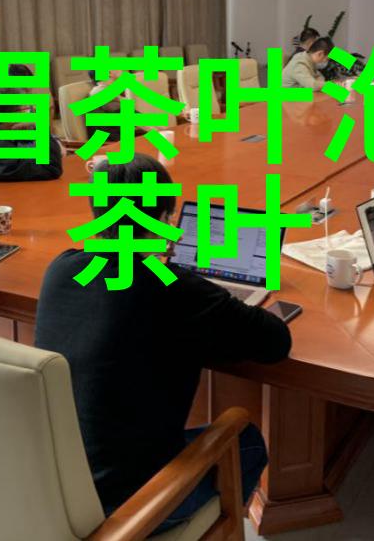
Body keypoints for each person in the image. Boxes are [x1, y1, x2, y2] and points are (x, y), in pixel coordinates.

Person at [35, 154, 291, 533]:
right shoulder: (176, 290)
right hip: (131, 505)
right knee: (246, 440)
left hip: (56, 484)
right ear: (166, 218)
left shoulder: (61, 268)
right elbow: (275, 342)